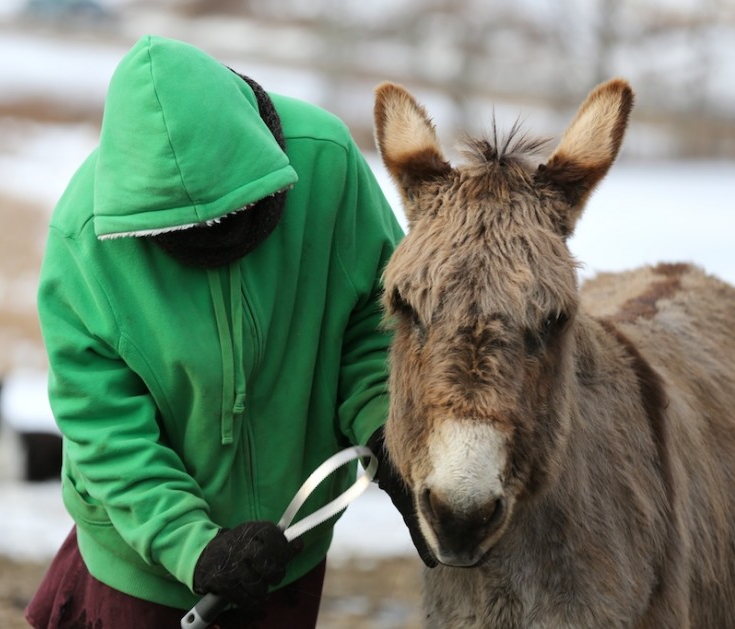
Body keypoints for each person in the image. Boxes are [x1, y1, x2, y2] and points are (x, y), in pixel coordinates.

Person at [25, 36, 434, 629]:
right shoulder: (84, 240)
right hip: (146, 566)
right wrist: (196, 548)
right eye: (185, 235)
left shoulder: (327, 164)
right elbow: (105, 430)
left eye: (234, 217)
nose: (215, 240)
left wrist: (389, 428)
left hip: (289, 550)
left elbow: (372, 328)